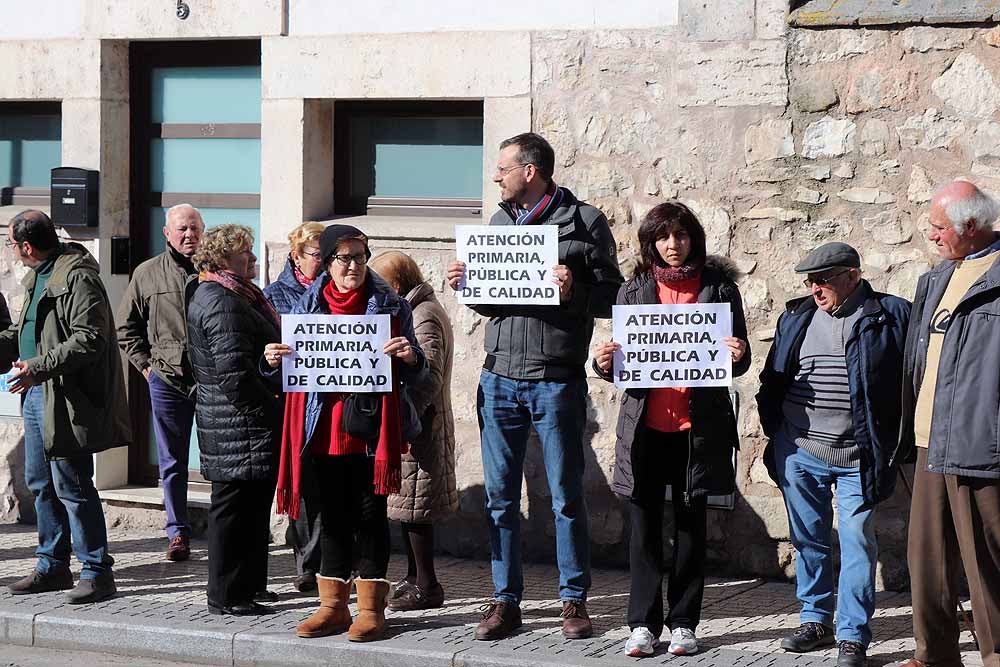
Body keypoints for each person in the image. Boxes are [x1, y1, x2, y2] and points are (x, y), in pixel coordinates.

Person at [446, 132, 623, 641]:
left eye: (502, 168)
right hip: (499, 376)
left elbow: (613, 296)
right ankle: (505, 601)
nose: (495, 177)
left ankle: (573, 601)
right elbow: (494, 305)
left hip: (555, 379)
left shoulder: (583, 222)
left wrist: (576, 288)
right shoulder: (501, 222)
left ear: (531, 170)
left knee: (565, 494)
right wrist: (469, 286)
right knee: (501, 499)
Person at [592, 202, 750, 658]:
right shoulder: (634, 290)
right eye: (664, 237)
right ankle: (642, 623)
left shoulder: (718, 289)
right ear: (651, 244)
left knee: (689, 527)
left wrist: (737, 352)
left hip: (695, 430)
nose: (673, 245)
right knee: (642, 528)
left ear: (694, 240)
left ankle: (684, 623)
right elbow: (620, 362)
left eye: (681, 236)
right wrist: (603, 363)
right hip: (645, 429)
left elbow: (737, 360)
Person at [268, 224, 426, 643]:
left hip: (370, 431)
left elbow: (418, 368)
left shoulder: (389, 305)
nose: (354, 265)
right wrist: (272, 358)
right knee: (331, 517)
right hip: (321, 428)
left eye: (360, 256)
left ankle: (372, 609)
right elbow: (284, 369)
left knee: (371, 518)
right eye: (345, 258)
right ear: (327, 262)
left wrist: (410, 356)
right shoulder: (305, 306)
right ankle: (333, 607)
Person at [756, 242, 910, 667]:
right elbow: (774, 377)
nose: (815, 288)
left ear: (853, 276)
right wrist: (778, 433)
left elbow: (911, 378)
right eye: (809, 281)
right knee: (808, 540)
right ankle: (815, 619)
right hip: (800, 449)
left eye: (823, 280)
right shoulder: (797, 316)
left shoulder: (891, 315)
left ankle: (853, 637)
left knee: (858, 540)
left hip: (858, 454)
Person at [896, 180, 1000, 667]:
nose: (932, 236)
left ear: (971, 227)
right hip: (928, 440)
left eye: (939, 228)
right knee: (927, 560)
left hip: (980, 443)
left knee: (986, 566)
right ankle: (933, 656)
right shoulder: (935, 279)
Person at [1, 210, 130, 604]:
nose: (11, 249)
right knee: (41, 483)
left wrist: (37, 368)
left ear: (26, 246)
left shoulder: (77, 275)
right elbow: (28, 334)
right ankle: (52, 565)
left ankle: (96, 571)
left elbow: (89, 338)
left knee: (71, 484)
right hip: (37, 392)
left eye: (11, 242)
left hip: (64, 396)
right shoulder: (40, 274)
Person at [186, 224, 283, 616]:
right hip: (238, 425)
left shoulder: (232, 294)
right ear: (225, 259)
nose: (254, 260)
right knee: (232, 512)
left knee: (253, 509)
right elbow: (235, 374)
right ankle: (226, 595)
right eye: (246, 253)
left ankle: (250, 586)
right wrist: (272, 405)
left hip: (241, 425)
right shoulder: (221, 300)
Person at [370, 251, 458, 611]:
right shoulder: (416, 309)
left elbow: (428, 377)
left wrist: (405, 421)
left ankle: (426, 584)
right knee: (407, 507)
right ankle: (413, 577)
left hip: (421, 428)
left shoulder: (423, 315)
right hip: (415, 425)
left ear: (394, 285)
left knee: (417, 509)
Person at [117, 203, 203, 562]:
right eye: (182, 229)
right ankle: (177, 532)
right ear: (167, 233)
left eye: (195, 229)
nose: (189, 235)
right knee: (172, 461)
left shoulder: (215, 271)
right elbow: (126, 327)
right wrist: (146, 367)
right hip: (166, 379)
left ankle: (231, 529)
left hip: (211, 380)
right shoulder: (147, 273)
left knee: (219, 458)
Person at [263, 221, 325, 593]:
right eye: (316, 255)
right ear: (296, 257)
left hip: (334, 400)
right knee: (303, 488)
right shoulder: (275, 295)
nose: (323, 262)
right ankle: (307, 564)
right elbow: (269, 348)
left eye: (325, 255)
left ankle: (328, 561)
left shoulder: (337, 290)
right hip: (296, 403)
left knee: (328, 486)